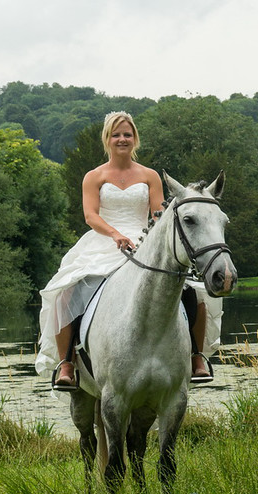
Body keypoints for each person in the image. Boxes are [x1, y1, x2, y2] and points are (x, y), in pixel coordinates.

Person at [35, 111, 218, 389]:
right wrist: (115, 234)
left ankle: (196, 357)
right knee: (66, 293)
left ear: (135, 139)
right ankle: (67, 363)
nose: (122, 139)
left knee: (195, 294)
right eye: (116, 134)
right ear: (107, 139)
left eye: (127, 134)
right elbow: (90, 215)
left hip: (143, 241)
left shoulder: (149, 175)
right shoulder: (94, 176)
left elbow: (158, 214)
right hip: (104, 240)